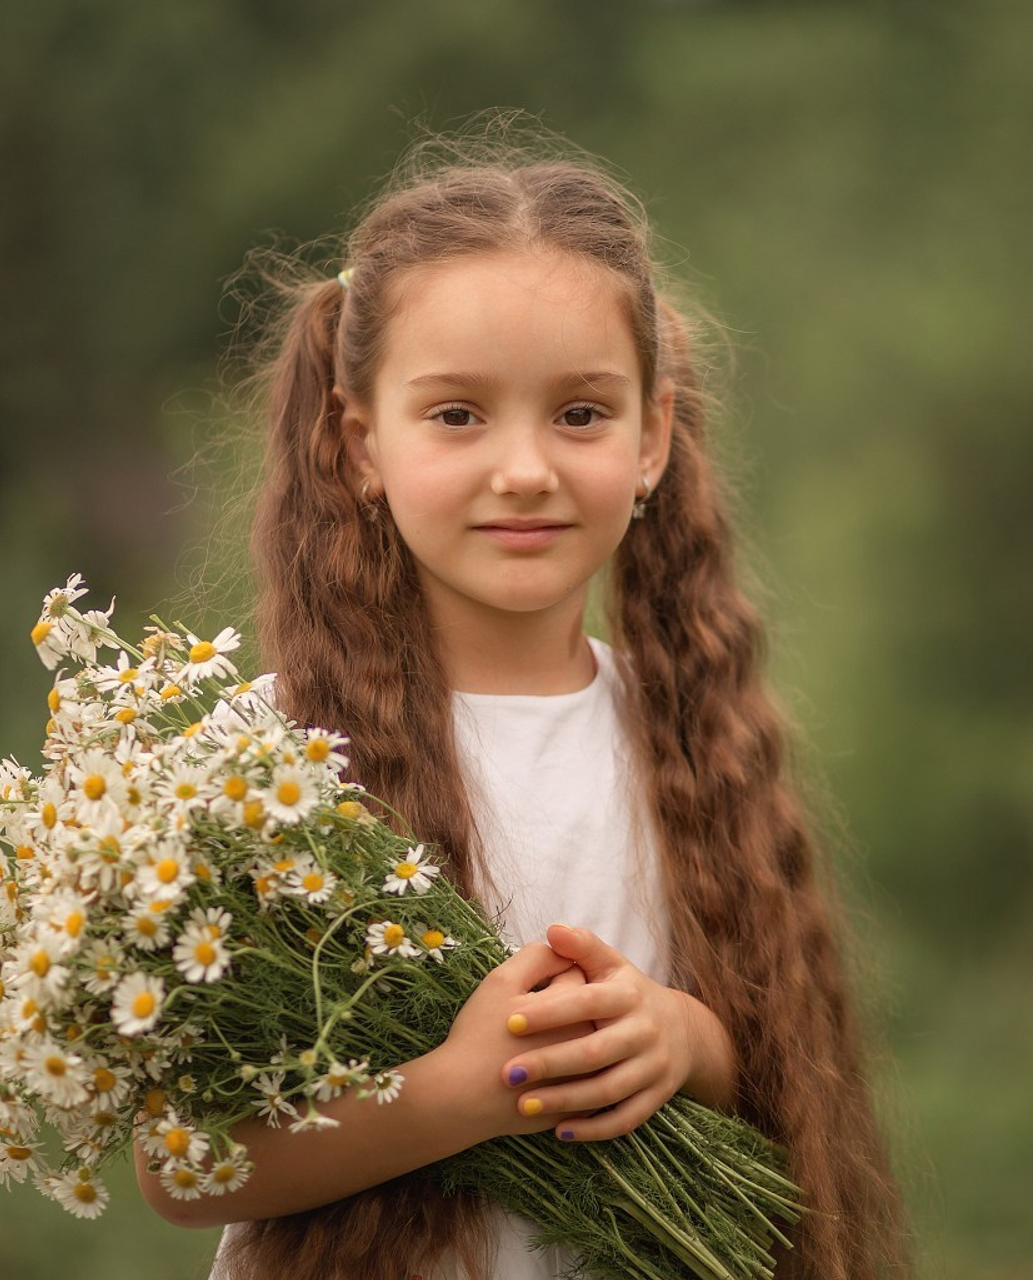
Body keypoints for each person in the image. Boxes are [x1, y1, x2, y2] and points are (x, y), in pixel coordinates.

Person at [135, 123, 906, 1280]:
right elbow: (179, 1162)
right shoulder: (266, 758)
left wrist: (683, 1041)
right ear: (359, 442)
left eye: (580, 414)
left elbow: (784, 1063)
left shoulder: (692, 732)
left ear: (650, 438)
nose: (526, 470)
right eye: (456, 414)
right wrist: (458, 1091)